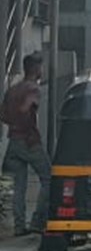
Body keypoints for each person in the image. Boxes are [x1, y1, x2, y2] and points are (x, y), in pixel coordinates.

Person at [0, 53, 51, 236]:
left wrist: (15, 123)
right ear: (36, 69)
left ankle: (19, 226)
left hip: (13, 140)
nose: (42, 71)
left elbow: (3, 116)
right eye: (41, 67)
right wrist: (24, 117)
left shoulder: (12, 90)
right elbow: (26, 108)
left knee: (18, 184)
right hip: (29, 140)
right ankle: (37, 222)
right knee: (48, 177)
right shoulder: (33, 89)